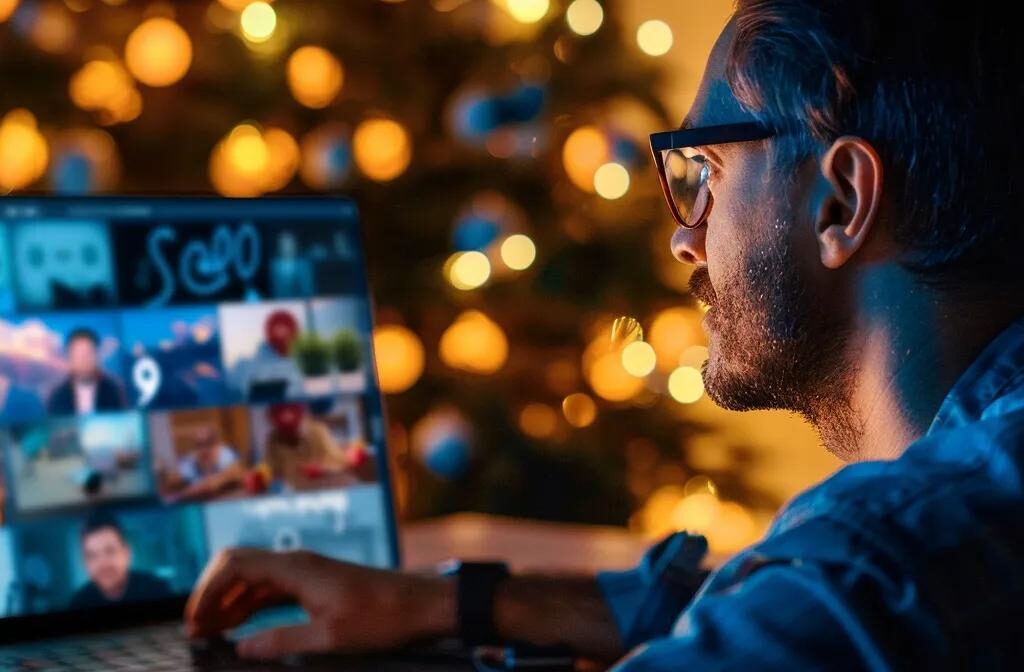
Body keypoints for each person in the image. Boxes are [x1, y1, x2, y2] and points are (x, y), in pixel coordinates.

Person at [187, 2, 1024, 668]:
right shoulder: (957, 514)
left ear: (840, 202)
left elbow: (832, 595)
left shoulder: (881, 564)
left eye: (709, 169)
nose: (685, 236)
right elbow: (754, 606)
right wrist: (448, 601)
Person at [70, 513, 173, 610]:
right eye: (92, 556)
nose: (103, 563)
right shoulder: (77, 604)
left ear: (127, 553)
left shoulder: (157, 590)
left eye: (110, 551)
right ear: (85, 563)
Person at [47, 328, 126, 416]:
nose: (84, 360)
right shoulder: (58, 396)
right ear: (70, 358)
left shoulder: (112, 391)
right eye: (79, 355)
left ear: (97, 356)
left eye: (88, 353)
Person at [161, 425, 245, 502]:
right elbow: (172, 480)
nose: (204, 449)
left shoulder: (225, 455)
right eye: (199, 445)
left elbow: (235, 474)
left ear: (217, 444)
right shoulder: (192, 460)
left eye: (208, 443)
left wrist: (213, 482)